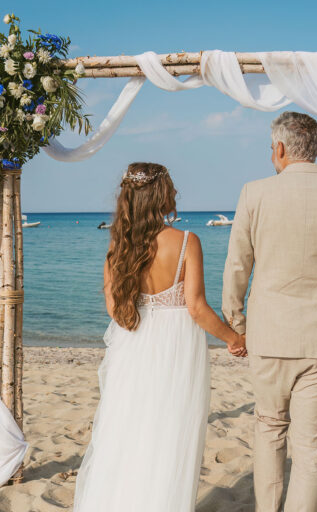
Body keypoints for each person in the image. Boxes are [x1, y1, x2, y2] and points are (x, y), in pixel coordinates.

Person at [73, 162, 246, 512]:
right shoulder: (186, 242)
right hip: (176, 348)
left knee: (130, 432)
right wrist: (233, 338)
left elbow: (114, 309)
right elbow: (196, 308)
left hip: (134, 346)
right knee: (170, 433)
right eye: (170, 187)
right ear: (160, 195)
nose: (175, 193)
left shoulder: (118, 246)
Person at [222, 112, 317, 512]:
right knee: (310, 449)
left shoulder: (254, 193)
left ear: (281, 148)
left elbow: (237, 266)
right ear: (315, 148)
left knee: (269, 429)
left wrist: (237, 324)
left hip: (269, 335)